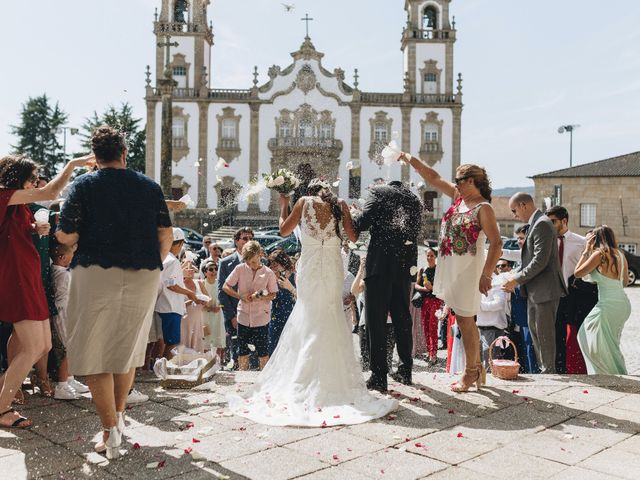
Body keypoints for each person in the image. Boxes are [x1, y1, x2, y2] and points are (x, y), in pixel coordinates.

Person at [228, 178, 397, 426]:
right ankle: (332, 380)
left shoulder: (304, 202)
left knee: (308, 316)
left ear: (310, 192)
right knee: (330, 315)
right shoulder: (339, 204)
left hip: (309, 268)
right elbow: (353, 236)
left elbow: (284, 230)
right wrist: (344, 220)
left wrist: (284, 204)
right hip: (331, 267)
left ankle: (302, 378)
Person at [54, 126, 173, 458]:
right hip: (145, 273)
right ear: (124, 153)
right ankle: (118, 421)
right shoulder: (149, 187)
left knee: (94, 352)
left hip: (96, 271)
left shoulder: (83, 185)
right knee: (127, 349)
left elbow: (65, 235)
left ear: (95, 156)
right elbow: (165, 233)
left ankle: (110, 433)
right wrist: (153, 263)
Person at [0, 152, 92, 429]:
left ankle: (5, 389)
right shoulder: (5, 194)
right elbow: (51, 191)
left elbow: (13, 228)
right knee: (33, 346)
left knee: (43, 345)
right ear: (18, 179)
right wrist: (74, 165)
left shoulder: (16, 203)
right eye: (31, 180)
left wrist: (33, 227)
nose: (34, 184)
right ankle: (2, 408)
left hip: (27, 276)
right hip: (15, 277)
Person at [401, 153, 502, 392]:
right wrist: (409, 159)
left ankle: (471, 372)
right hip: (452, 267)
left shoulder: (483, 208)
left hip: (469, 269)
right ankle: (477, 368)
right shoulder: (459, 198)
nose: (455, 184)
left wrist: (486, 274)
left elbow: (497, 243)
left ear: (471, 181)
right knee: (462, 318)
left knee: (466, 320)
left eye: (459, 179)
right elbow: (433, 178)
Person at [352, 180, 422, 392]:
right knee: (402, 319)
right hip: (403, 267)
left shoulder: (378, 193)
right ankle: (405, 370)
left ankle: (379, 375)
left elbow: (363, 223)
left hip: (380, 266)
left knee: (376, 321)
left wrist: (354, 214)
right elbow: (415, 232)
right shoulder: (414, 200)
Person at [503, 193, 567, 374]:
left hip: (545, 291)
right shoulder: (537, 223)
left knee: (544, 336)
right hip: (536, 291)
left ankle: (548, 373)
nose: (515, 215)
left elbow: (540, 260)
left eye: (514, 210)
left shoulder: (542, 224)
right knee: (537, 335)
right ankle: (545, 371)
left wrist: (516, 279)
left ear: (523, 205)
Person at [546, 205, 596, 374]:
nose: (550, 225)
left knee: (579, 335)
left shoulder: (581, 242)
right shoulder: (547, 242)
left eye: (553, 222)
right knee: (557, 335)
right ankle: (560, 371)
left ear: (564, 221)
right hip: (555, 297)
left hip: (577, 296)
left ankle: (585, 369)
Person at [575, 226, 631, 374]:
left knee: (584, 336)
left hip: (607, 305)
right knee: (611, 344)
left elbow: (578, 272)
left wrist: (586, 250)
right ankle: (618, 373)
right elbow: (624, 282)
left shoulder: (599, 254)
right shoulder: (620, 254)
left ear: (596, 239)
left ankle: (604, 374)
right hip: (623, 304)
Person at [223, 240, 277, 370]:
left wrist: (260, 297)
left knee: (263, 351)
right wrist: (240, 296)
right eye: (248, 262)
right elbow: (226, 286)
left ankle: (263, 380)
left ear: (260, 255)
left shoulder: (269, 273)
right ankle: (242, 380)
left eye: (253, 261)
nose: (251, 265)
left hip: (262, 318)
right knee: (242, 351)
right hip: (243, 317)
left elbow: (273, 294)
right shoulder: (240, 269)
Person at [50, 240, 90, 400]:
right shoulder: (63, 274)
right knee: (71, 349)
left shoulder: (60, 270)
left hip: (68, 312)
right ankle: (61, 385)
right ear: (62, 257)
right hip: (64, 314)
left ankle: (70, 379)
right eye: (71, 256)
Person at [155, 228, 202, 359]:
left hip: (166, 305)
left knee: (164, 342)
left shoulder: (165, 258)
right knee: (171, 343)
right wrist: (190, 293)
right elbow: (171, 285)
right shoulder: (172, 260)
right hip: (170, 307)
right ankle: (165, 370)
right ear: (179, 244)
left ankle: (160, 369)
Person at [218, 227, 255, 367]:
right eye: (245, 238)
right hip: (234, 314)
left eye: (251, 238)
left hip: (255, 314)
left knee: (254, 349)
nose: (248, 241)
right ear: (236, 241)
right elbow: (222, 292)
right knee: (237, 349)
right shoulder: (225, 263)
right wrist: (232, 316)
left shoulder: (260, 261)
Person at [414, 248, 442, 365]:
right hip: (425, 301)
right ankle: (429, 352)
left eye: (431, 255)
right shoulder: (423, 270)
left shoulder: (439, 270)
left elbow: (442, 287)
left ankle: (433, 354)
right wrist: (425, 288)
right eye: (428, 255)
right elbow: (416, 285)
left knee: (432, 327)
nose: (429, 258)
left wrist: (432, 288)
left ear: (435, 257)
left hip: (435, 301)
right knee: (425, 327)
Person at [266, 249, 297, 355]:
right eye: (271, 264)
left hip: (292, 314)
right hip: (276, 314)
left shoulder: (294, 275)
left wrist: (290, 287)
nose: (272, 267)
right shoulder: (272, 277)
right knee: (273, 344)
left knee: (290, 345)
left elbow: (299, 296)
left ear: (283, 262)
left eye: (275, 264)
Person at [199, 260, 225, 361]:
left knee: (218, 339)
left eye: (215, 269)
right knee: (206, 340)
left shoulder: (220, 283)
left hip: (218, 315)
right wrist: (210, 308)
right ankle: (206, 363)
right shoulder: (202, 284)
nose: (214, 271)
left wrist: (220, 306)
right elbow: (199, 302)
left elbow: (224, 299)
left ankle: (217, 363)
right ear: (205, 272)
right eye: (210, 269)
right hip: (205, 315)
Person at [181, 259, 207, 353]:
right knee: (184, 341)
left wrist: (204, 301)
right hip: (184, 319)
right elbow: (177, 304)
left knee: (197, 341)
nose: (190, 271)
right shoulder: (179, 284)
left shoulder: (199, 283)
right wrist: (193, 300)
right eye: (188, 269)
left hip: (197, 318)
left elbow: (208, 298)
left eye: (192, 268)